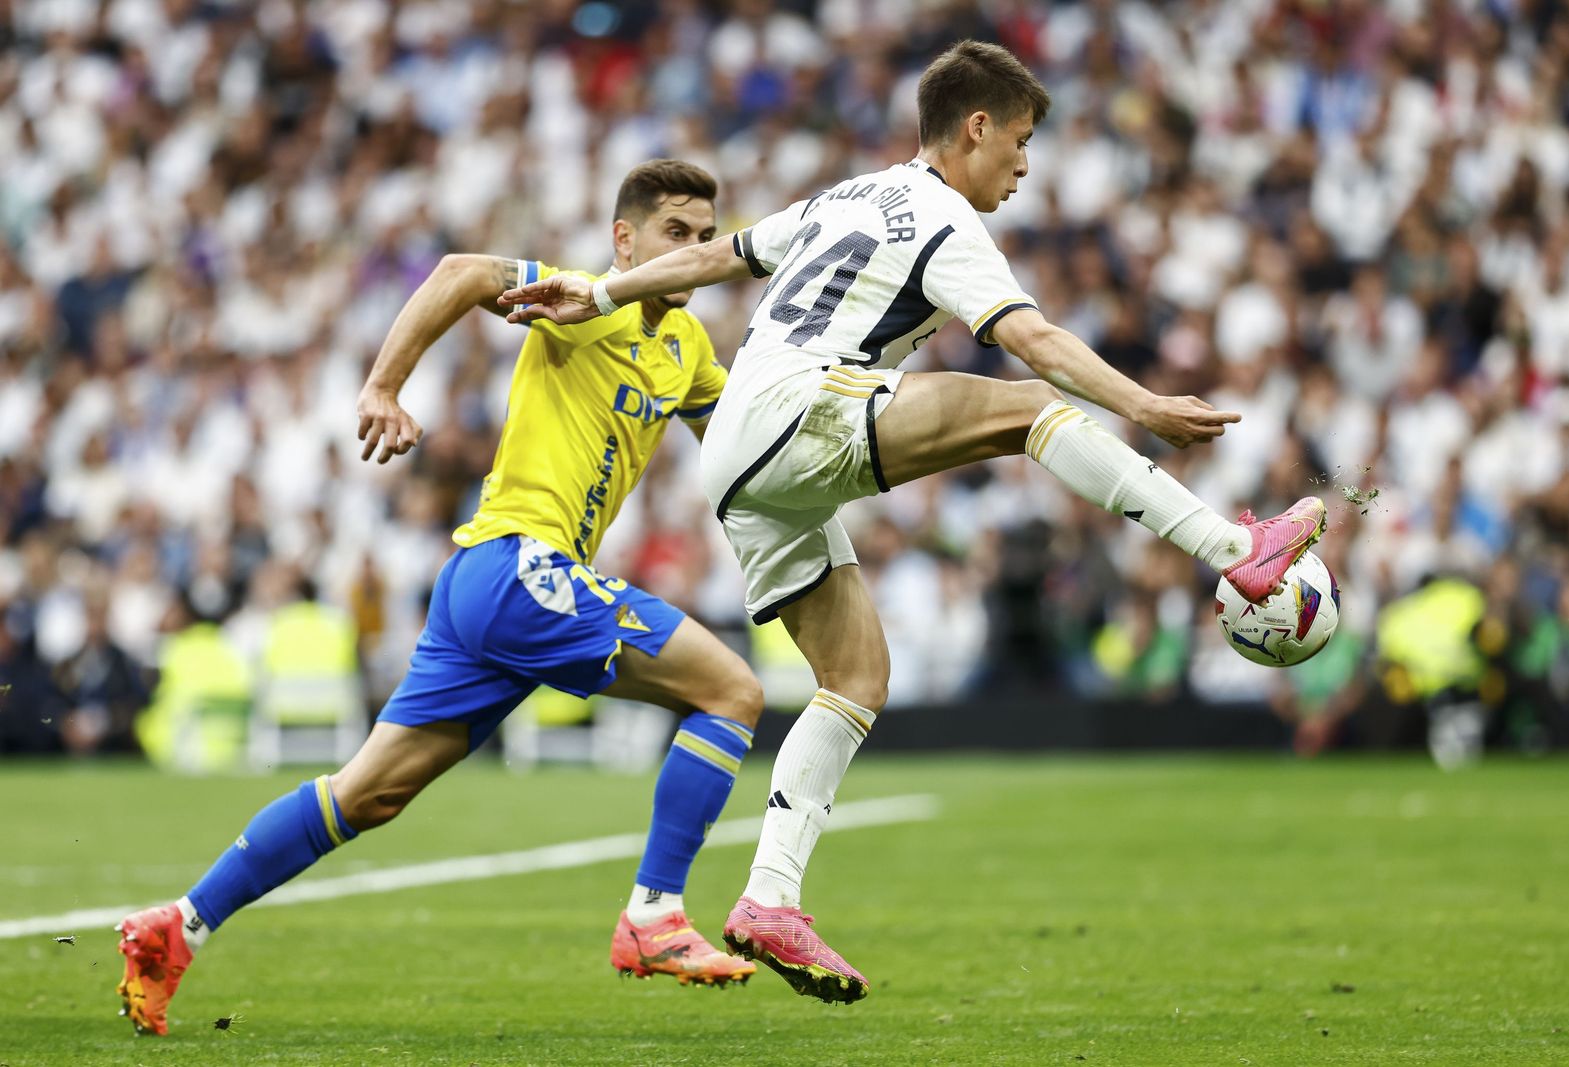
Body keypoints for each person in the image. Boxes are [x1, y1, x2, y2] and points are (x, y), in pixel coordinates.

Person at [501, 42, 1327, 1004]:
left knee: (856, 679)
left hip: (736, 451)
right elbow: (1036, 341)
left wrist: (600, 289)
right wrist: (1144, 404)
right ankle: (1237, 551)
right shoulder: (943, 220)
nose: (1024, 166)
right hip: (795, 412)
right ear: (974, 128)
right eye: (1019, 142)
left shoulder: (847, 195)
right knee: (1024, 406)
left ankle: (770, 896)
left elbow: (723, 257)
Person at [115, 160, 766, 1036]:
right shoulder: (583, 297)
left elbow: (746, 441)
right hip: (519, 566)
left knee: (368, 794)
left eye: (702, 237)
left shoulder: (686, 349)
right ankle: (654, 914)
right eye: (673, 233)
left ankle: (178, 927)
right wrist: (384, 384)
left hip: (484, 588)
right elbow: (462, 272)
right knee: (732, 690)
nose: (690, 251)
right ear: (627, 239)